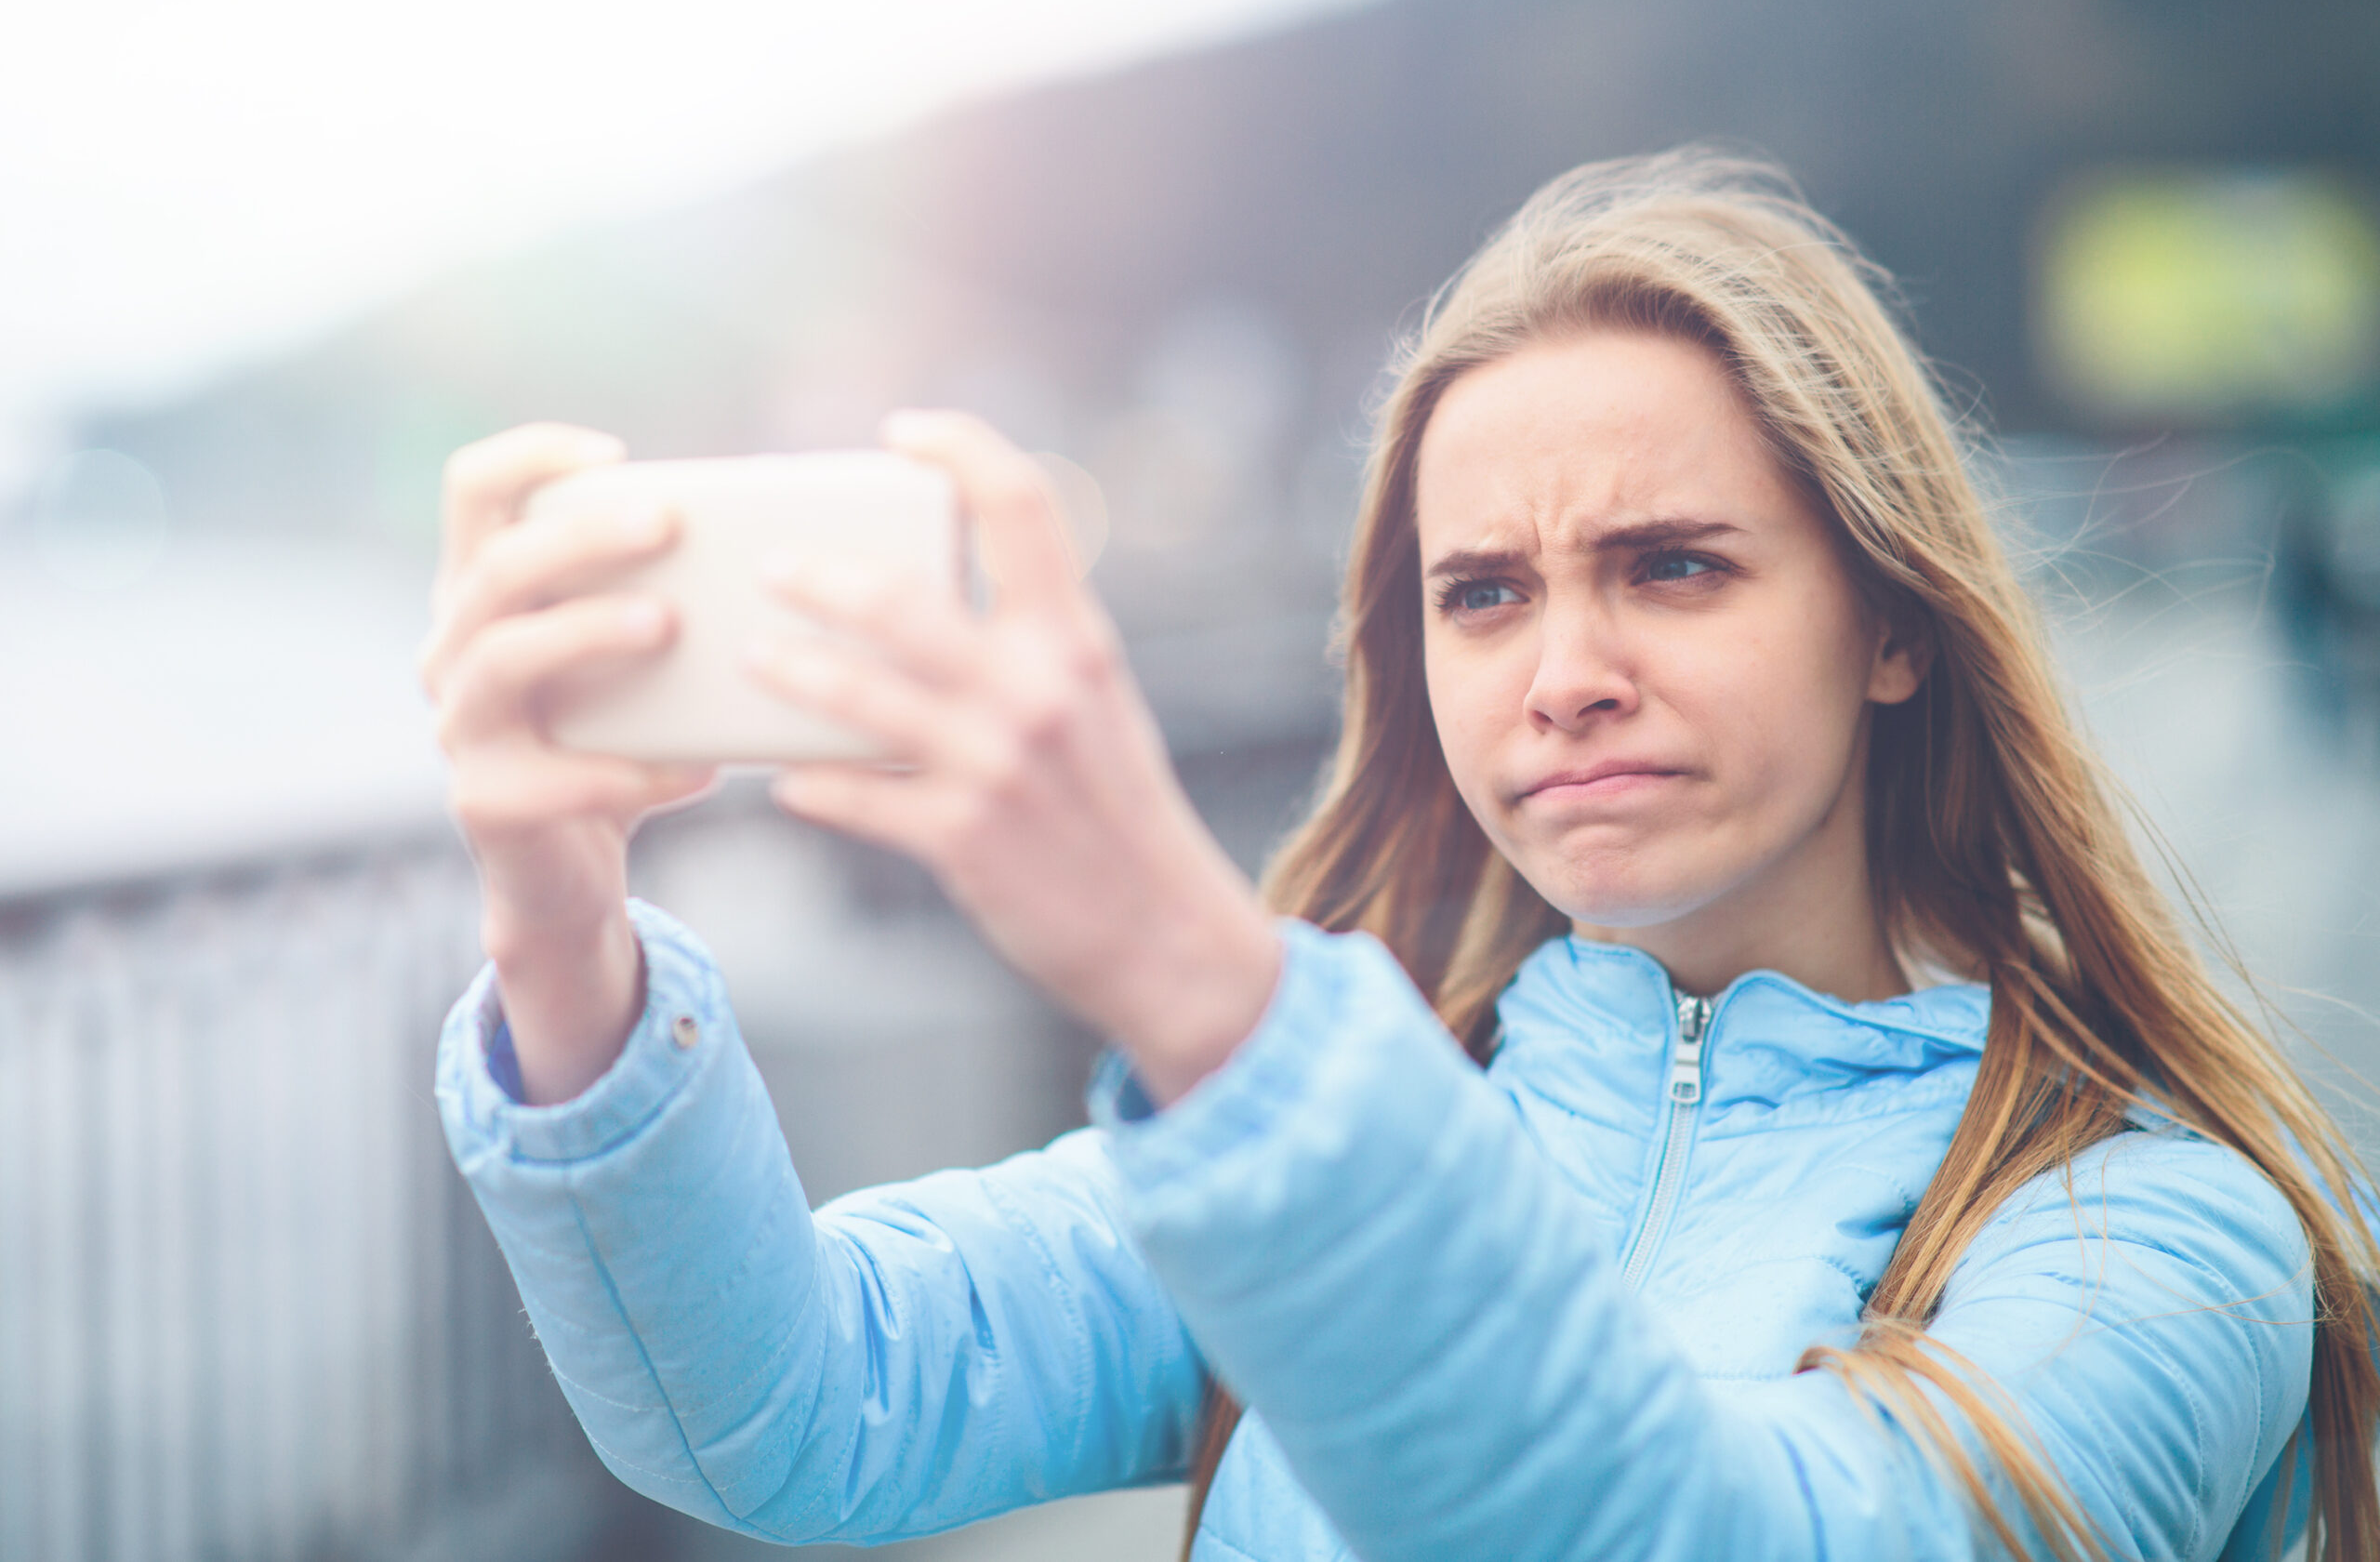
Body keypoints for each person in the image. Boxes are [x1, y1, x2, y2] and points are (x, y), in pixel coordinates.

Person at [423, 149, 2380, 1561]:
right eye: (1481, 593)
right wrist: (561, 923)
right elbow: (781, 1415)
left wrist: (1191, 974)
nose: (1564, 674)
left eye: (1671, 566)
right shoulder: (1362, 1122)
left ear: (1886, 620)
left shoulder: (2158, 1236)